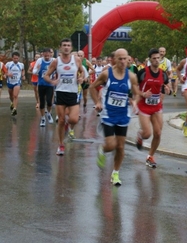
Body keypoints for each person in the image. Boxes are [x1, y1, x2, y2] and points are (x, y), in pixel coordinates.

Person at [90, 48, 140, 186]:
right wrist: (98, 102)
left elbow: (137, 93)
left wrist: (135, 101)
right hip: (108, 115)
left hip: (123, 115)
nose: (123, 61)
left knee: (120, 147)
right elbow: (92, 87)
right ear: (114, 60)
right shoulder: (106, 75)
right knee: (111, 145)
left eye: (125, 59)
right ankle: (102, 149)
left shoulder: (131, 76)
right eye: (120, 59)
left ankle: (116, 173)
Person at [43, 38, 84, 155]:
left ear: (71, 48)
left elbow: (83, 72)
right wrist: (52, 82)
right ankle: (61, 145)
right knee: (61, 120)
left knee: (74, 119)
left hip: (73, 93)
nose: (66, 47)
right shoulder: (56, 61)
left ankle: (69, 127)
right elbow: (46, 76)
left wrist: (81, 78)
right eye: (64, 45)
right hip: (60, 92)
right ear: (60, 47)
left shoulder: (76, 60)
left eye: (68, 45)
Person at [135, 48, 172, 168]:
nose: (156, 60)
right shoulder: (143, 73)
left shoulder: (163, 74)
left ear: (161, 59)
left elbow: (167, 86)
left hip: (156, 106)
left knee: (158, 133)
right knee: (147, 133)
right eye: (154, 58)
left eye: (158, 58)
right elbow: (134, 87)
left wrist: (168, 90)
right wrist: (142, 94)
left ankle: (150, 156)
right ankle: (140, 135)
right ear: (150, 60)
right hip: (144, 106)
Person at [33, 48, 55, 127]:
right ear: (43, 54)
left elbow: (58, 70)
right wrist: (38, 69)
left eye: (48, 55)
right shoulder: (39, 61)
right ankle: (42, 118)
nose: (47, 56)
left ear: (50, 54)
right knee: (42, 103)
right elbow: (34, 72)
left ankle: (49, 113)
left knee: (49, 101)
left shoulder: (54, 61)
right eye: (45, 55)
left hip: (49, 84)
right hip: (41, 84)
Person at [5, 52, 26, 116]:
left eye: (17, 58)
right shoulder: (8, 64)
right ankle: (12, 103)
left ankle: (15, 109)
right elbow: (4, 71)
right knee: (11, 96)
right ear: (12, 58)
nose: (16, 60)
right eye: (14, 58)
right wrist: (7, 74)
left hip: (17, 82)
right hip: (10, 82)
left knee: (15, 95)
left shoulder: (21, 64)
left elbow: (23, 70)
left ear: (19, 58)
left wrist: (23, 75)